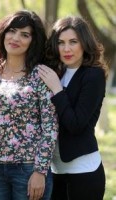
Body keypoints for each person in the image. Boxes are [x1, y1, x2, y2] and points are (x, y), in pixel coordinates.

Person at [0, 10, 59, 200]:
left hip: (28, 169)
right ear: (3, 33)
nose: (16, 38)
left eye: (25, 34)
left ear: (33, 41)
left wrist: (40, 171)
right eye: (12, 31)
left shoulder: (41, 75)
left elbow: (50, 126)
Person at [38, 16, 107, 200]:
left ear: (84, 43)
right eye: (61, 42)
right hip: (54, 170)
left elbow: (76, 123)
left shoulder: (93, 75)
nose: (66, 49)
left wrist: (57, 89)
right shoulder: (54, 72)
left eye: (73, 42)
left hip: (84, 171)